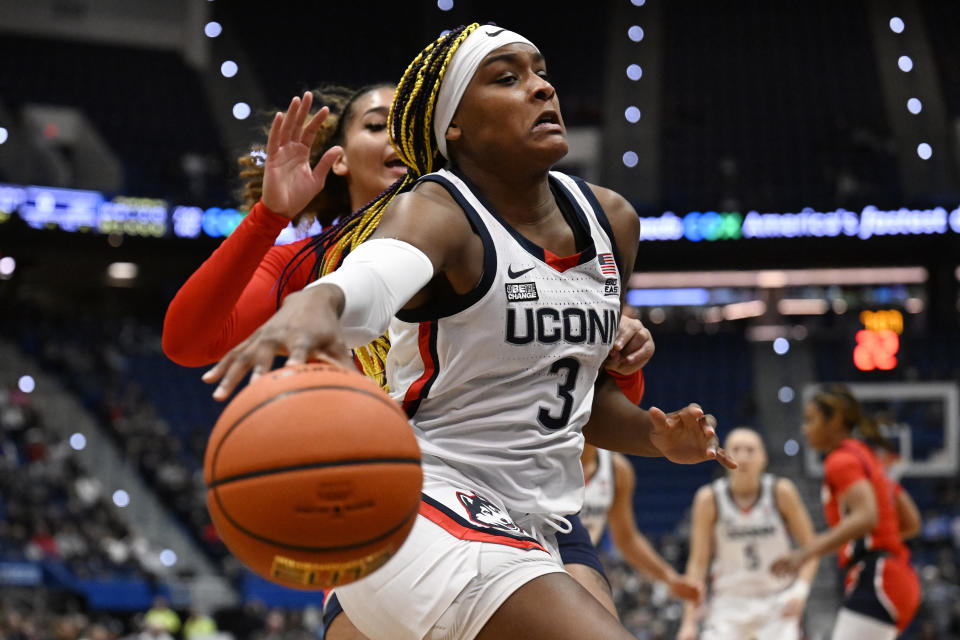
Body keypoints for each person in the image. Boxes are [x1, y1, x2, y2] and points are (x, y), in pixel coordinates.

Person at [203, 23, 735, 640]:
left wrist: (657, 437)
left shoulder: (611, 219)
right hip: (425, 501)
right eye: (507, 79)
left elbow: (575, 398)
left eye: (540, 72)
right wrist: (317, 306)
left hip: (545, 520)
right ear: (453, 124)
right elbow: (373, 278)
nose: (541, 89)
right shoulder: (438, 207)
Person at [771, 385, 921, 639]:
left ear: (835, 421)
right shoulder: (867, 457)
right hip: (895, 577)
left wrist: (807, 552)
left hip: (878, 579)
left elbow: (866, 517)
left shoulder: (840, 461)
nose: (804, 428)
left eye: (810, 420)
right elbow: (911, 521)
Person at [678, 427, 818, 640]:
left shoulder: (782, 492)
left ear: (763, 457)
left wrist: (800, 592)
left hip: (777, 601)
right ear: (722, 456)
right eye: (736, 449)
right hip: (728, 602)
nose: (743, 456)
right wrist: (688, 622)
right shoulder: (709, 498)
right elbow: (698, 563)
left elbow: (811, 548)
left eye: (750, 450)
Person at [577, 443, 701, 608]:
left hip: (579, 561)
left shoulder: (616, 468)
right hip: (544, 558)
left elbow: (627, 539)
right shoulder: (550, 458)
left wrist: (669, 577)